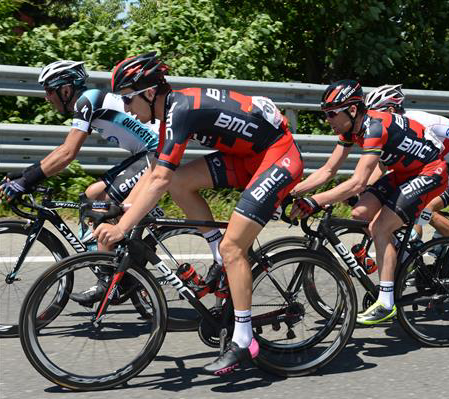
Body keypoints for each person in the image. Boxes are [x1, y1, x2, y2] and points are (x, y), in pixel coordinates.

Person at [92, 52, 303, 374]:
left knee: (235, 249)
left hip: (277, 157)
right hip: (246, 156)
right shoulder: (171, 112)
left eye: (128, 99)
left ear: (149, 93)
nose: (127, 109)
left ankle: (244, 340)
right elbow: (157, 172)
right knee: (179, 182)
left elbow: (157, 180)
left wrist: (122, 229)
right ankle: (219, 251)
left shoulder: (182, 110)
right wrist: (125, 208)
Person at [0, 59, 162, 303]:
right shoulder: (87, 102)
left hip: (156, 153)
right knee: (91, 195)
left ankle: (108, 283)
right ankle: (124, 262)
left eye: (49, 91)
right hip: (147, 153)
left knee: (101, 206)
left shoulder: (88, 100)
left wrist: (24, 182)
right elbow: (63, 149)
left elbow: (67, 154)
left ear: (65, 90)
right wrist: (23, 176)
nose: (46, 98)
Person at [290, 79, 447, 325]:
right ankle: (396, 251)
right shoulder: (349, 129)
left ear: (352, 110)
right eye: (326, 114)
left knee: (379, 227)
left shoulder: (374, 127)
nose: (327, 120)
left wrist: (316, 201)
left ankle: (386, 303)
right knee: (360, 213)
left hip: (430, 172)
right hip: (403, 173)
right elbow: (328, 171)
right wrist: (291, 192)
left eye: (332, 114)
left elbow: (358, 182)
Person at [364, 84, 449, 284]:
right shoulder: (393, 129)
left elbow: (431, 166)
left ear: (390, 110)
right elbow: (382, 166)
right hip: (445, 162)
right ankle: (415, 257)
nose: (370, 119)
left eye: (374, 113)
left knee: (426, 207)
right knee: (409, 206)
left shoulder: (415, 123)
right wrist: (364, 190)